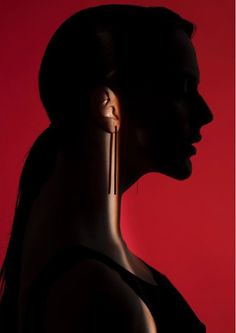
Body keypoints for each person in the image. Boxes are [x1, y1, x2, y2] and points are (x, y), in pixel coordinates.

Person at [0, 4, 213, 333]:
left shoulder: (87, 269)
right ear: (107, 107)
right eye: (182, 89)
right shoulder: (104, 298)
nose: (205, 113)